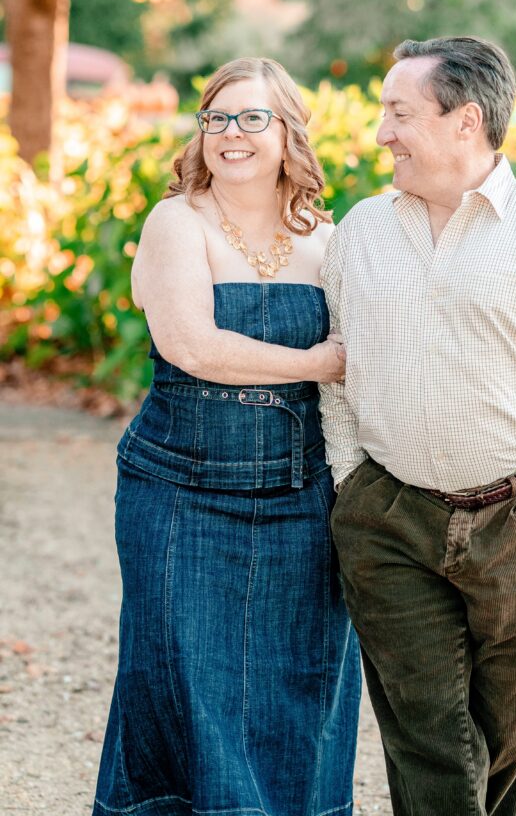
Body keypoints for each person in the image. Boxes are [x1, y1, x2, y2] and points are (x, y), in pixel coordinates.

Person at [319, 36, 516, 816]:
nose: (380, 134)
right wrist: (351, 482)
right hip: (390, 518)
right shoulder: (359, 231)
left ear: (464, 121)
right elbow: (338, 368)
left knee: (506, 732)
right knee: (425, 734)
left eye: (398, 113)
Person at [93, 57, 361, 816]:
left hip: (300, 499)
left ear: (287, 133)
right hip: (179, 492)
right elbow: (192, 345)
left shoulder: (328, 240)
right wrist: (316, 362)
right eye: (216, 117)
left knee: (300, 683)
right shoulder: (174, 221)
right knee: (177, 680)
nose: (230, 134)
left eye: (251, 118)